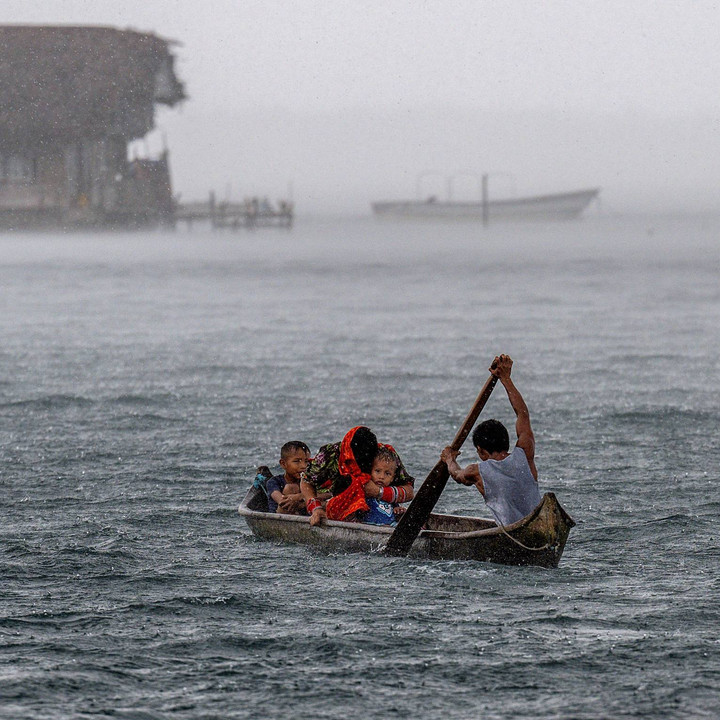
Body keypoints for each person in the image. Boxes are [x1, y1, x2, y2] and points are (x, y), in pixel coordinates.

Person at [440, 355, 541, 526]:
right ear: (505, 441)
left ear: (480, 450)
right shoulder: (525, 453)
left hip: (512, 533)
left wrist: (449, 459)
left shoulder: (476, 472)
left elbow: (456, 474)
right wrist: (506, 378)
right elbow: (522, 414)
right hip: (538, 523)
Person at [300, 426, 414, 526]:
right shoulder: (329, 455)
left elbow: (409, 492)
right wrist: (316, 508)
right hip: (336, 499)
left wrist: (379, 492)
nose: (361, 468)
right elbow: (306, 481)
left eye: (367, 464)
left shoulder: (384, 456)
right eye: (358, 463)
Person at [358, 446, 413, 525]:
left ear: (392, 478)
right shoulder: (364, 493)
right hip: (369, 525)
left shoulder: (392, 495)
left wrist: (398, 512)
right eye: (377, 471)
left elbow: (393, 512)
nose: (381, 477)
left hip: (391, 526)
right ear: (370, 471)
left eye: (387, 473)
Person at [267, 441, 311, 514]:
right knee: (291, 488)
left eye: (306, 461)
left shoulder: (309, 481)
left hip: (303, 515)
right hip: (280, 517)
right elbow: (282, 501)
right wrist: (304, 500)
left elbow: (327, 494)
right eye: (297, 461)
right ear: (283, 464)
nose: (304, 466)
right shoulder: (274, 482)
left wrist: (299, 497)